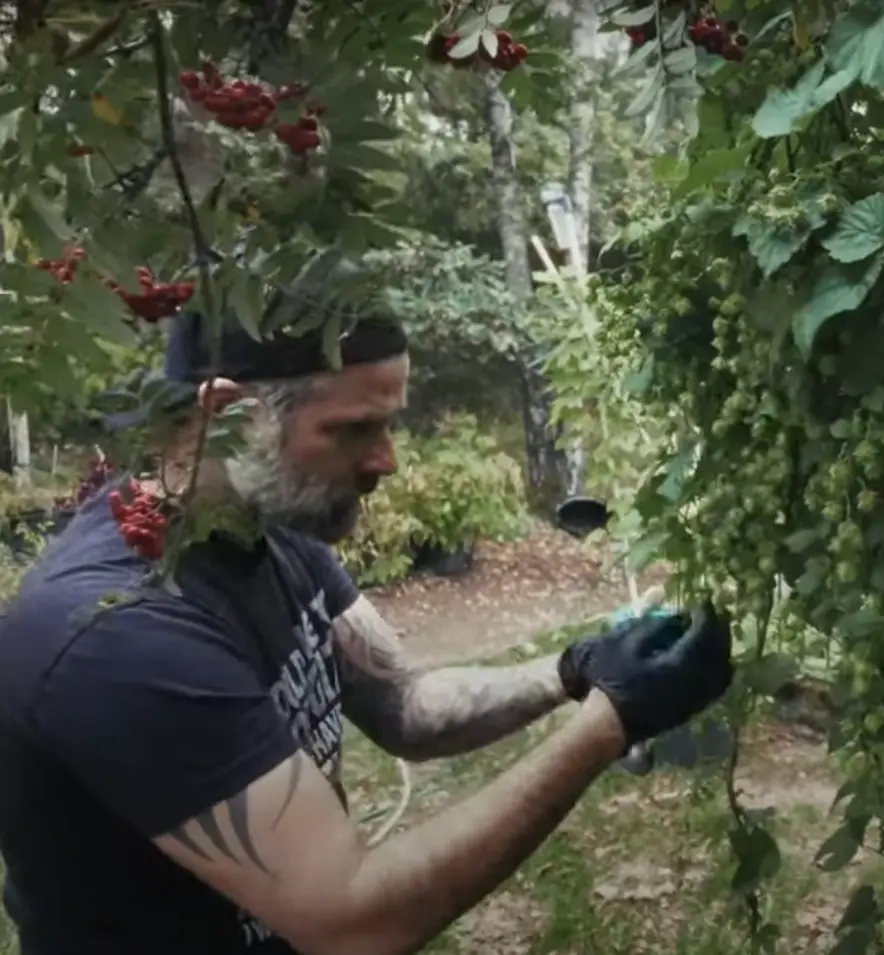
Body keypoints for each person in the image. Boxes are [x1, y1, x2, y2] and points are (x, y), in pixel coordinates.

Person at [0, 305, 734, 955]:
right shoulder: (117, 633)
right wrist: (611, 723)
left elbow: (404, 704)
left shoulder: (269, 525)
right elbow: (353, 923)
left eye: (388, 423)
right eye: (355, 429)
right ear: (222, 415)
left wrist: (575, 670)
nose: (386, 459)